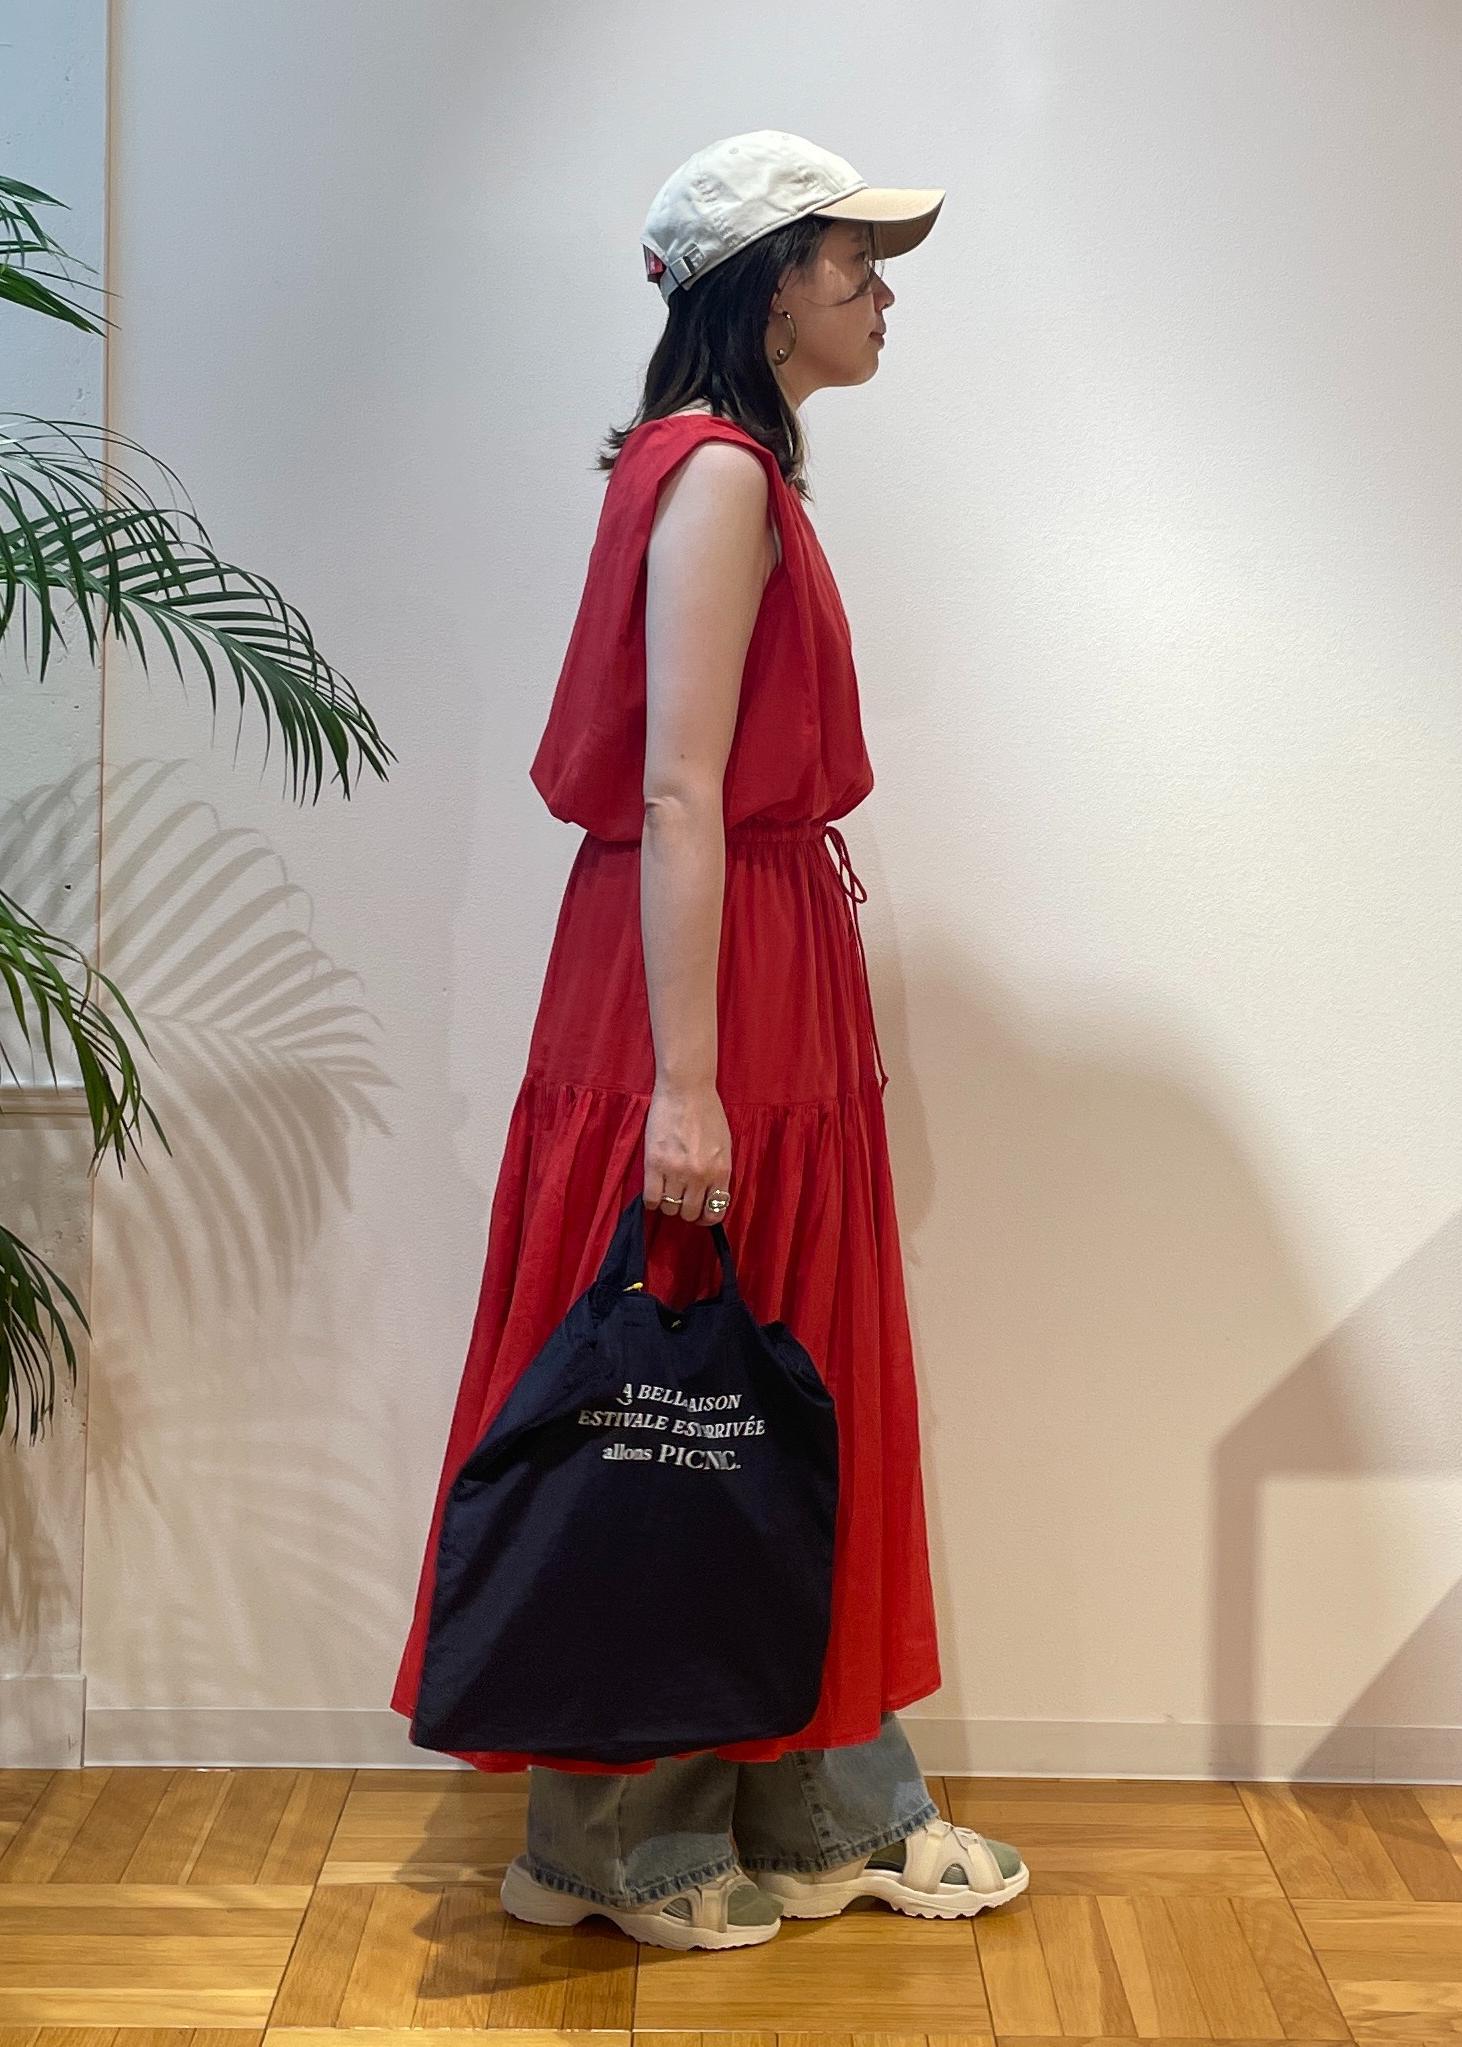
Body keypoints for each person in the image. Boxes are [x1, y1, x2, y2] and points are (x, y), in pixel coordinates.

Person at [390, 130, 1028, 1951]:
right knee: (671, 1377)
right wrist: (681, 1084)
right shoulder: (720, 473)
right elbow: (678, 788)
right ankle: (618, 1838)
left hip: (744, 955)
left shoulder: (723, 468)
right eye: (851, 264)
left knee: (760, 1370)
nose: (881, 296)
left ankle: (803, 1805)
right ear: (765, 291)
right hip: (702, 973)